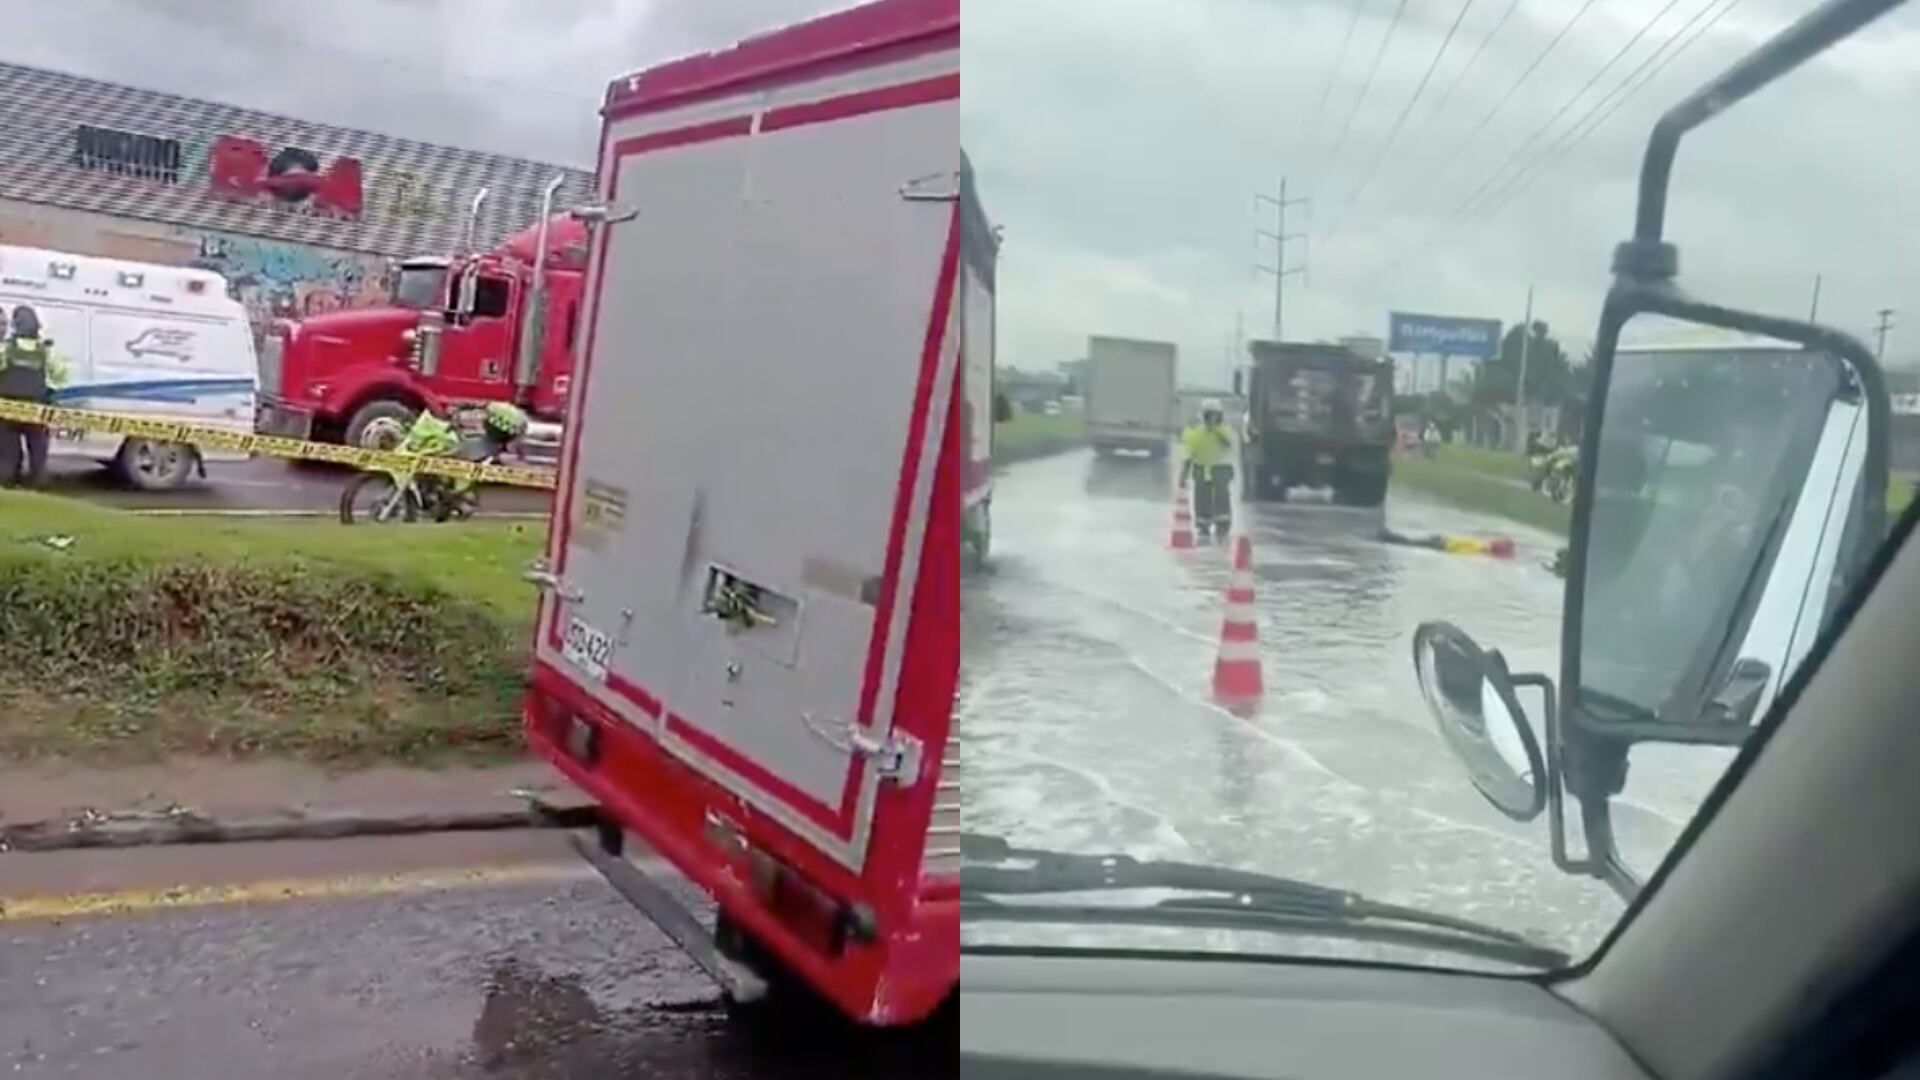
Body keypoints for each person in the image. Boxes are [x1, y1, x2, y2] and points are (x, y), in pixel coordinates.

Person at [0, 305, 67, 489]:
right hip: (37, 410)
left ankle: (8, 487)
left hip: (8, 410)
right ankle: (37, 488)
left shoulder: (6, 349)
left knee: (8, 455)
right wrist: (51, 391)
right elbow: (61, 376)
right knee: (38, 455)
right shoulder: (46, 351)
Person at [1179, 398, 1236, 540]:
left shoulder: (1225, 430)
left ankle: (1222, 526)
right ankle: (1203, 526)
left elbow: (1228, 444)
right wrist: (1184, 474)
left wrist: (1215, 430)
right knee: (1201, 498)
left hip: (1221, 468)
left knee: (1222, 498)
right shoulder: (1195, 432)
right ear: (1204, 416)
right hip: (1201, 469)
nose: (1213, 418)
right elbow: (1189, 453)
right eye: (1210, 415)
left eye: (1216, 415)